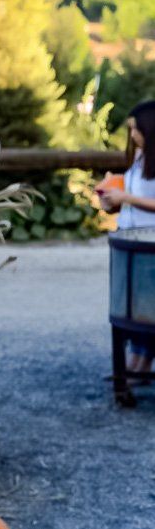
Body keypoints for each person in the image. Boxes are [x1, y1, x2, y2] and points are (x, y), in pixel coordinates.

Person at [100, 100, 155, 375]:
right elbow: (134, 198)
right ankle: (136, 361)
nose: (132, 136)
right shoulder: (139, 159)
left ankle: (142, 362)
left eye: (136, 130)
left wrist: (127, 197)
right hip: (130, 240)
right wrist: (112, 200)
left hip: (151, 244)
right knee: (132, 303)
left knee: (148, 304)